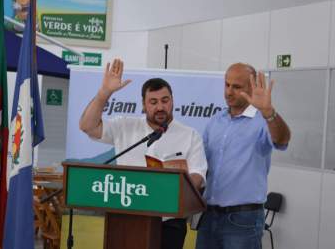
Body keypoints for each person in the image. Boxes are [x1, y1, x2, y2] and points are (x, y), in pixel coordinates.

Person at [79, 58, 208, 249]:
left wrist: (178, 186)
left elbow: (197, 176)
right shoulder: (125, 126)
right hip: (127, 219)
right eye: (153, 102)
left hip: (170, 223)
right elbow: (87, 126)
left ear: (172, 101)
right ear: (144, 105)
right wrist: (104, 93)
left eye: (165, 101)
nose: (160, 107)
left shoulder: (190, 135)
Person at [195, 63, 291, 249]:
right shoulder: (216, 121)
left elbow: (282, 139)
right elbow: (202, 164)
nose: (229, 92)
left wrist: (269, 113)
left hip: (242, 221)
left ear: (252, 87)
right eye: (227, 84)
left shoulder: (262, 121)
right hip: (208, 216)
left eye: (236, 87)